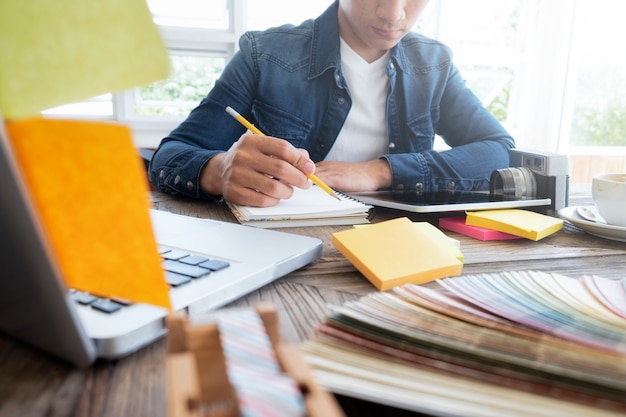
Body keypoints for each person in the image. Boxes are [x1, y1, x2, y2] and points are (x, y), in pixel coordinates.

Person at [149, 0, 515, 207]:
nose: (394, 13)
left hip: (394, 250)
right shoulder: (265, 55)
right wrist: (220, 169)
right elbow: (170, 157)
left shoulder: (434, 64)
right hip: (281, 249)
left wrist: (380, 171)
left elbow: (499, 152)